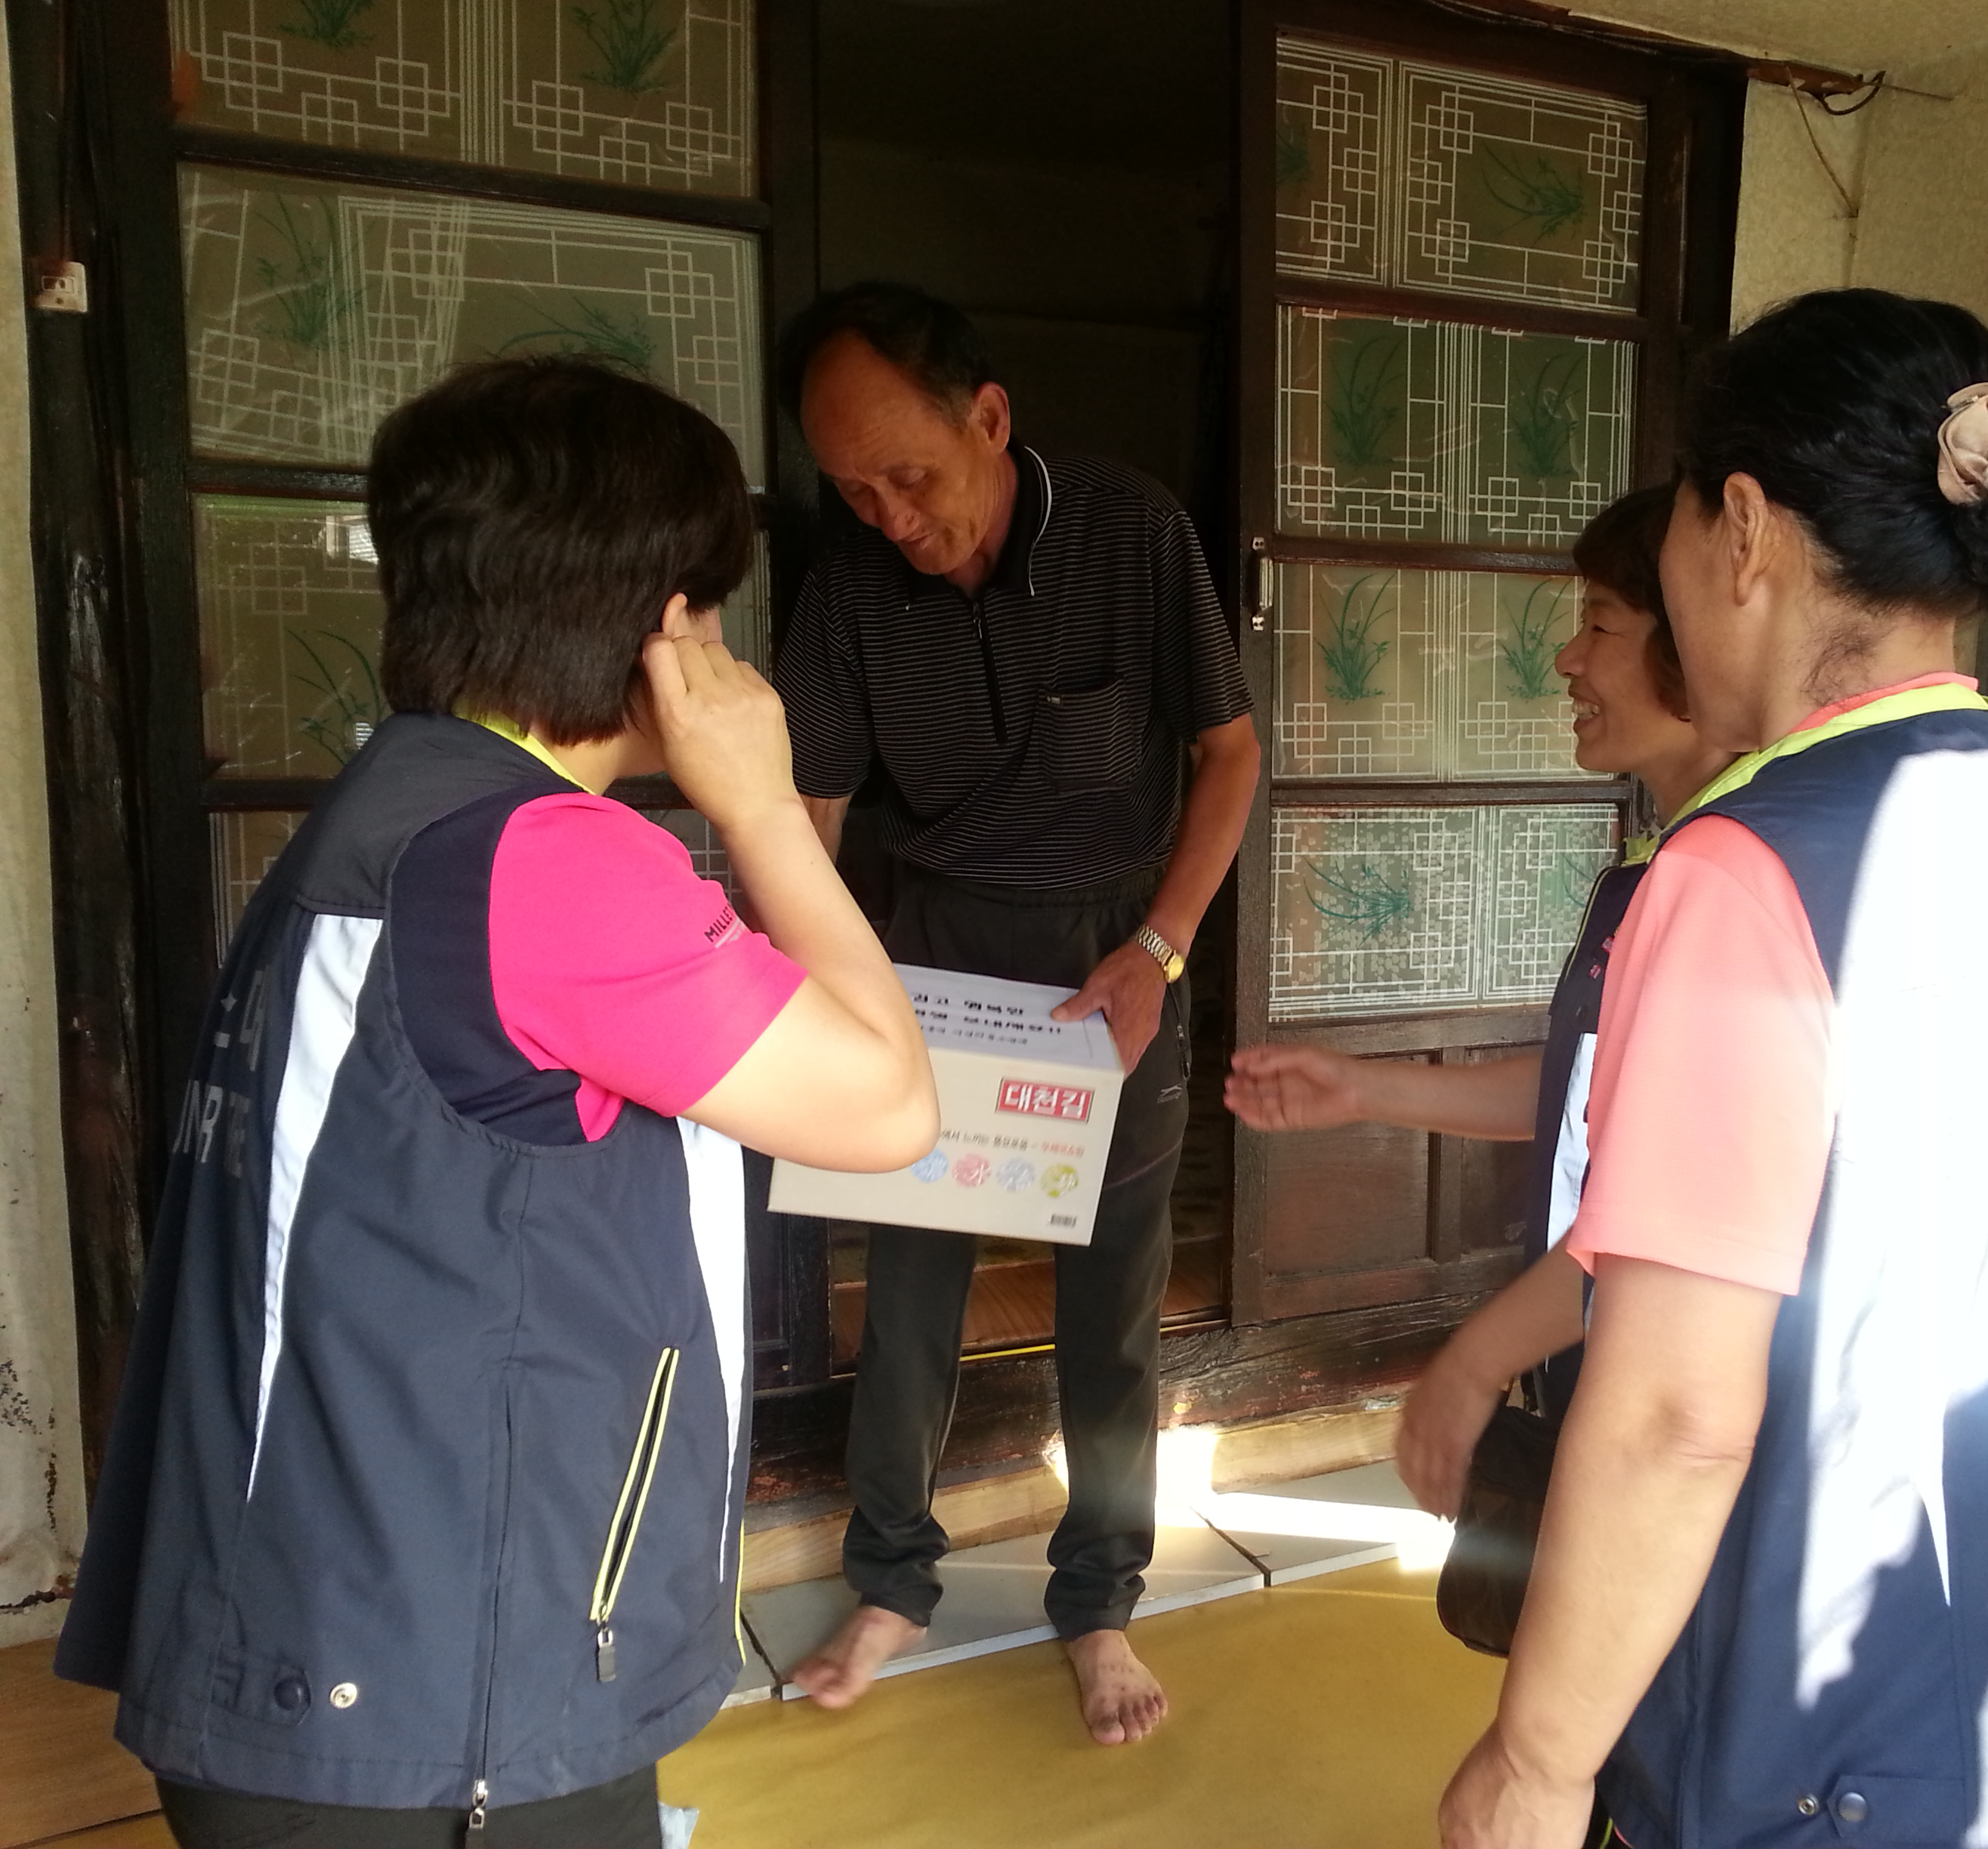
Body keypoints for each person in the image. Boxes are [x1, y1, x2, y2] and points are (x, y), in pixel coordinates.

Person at [54, 358, 939, 1848]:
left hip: (317, 1637)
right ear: (664, 626)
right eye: (711, 614)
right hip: (444, 1693)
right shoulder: (548, 866)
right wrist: (762, 805)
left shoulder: (390, 815)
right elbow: (890, 1106)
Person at [1437, 290, 1988, 1849]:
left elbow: (1679, 1411)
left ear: (1742, 529)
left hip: (1831, 1742)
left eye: (1676, 527)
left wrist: (1535, 1762)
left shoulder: (1738, 872)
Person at [770, 282, 1260, 1745]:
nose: (892, 519)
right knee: (912, 1293)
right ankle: (891, 1582)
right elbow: (808, 812)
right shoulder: (848, 591)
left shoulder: (1131, 532)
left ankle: (1100, 1601)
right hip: (932, 959)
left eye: (910, 477)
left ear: (988, 418)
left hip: (1117, 960)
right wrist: (822, 985)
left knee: (1113, 1308)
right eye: (856, 492)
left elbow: (1229, 754)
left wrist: (1162, 948)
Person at [1224, 484, 1733, 1523]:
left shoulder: (1732, 883)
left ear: (1700, 647)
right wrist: (1363, 1089)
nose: (1568, 660)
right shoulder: (1657, 864)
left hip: (1666, 1400)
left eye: (1602, 627)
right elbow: (1584, 1098)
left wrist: (1476, 1357)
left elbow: (1679, 1202)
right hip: (1594, 1358)